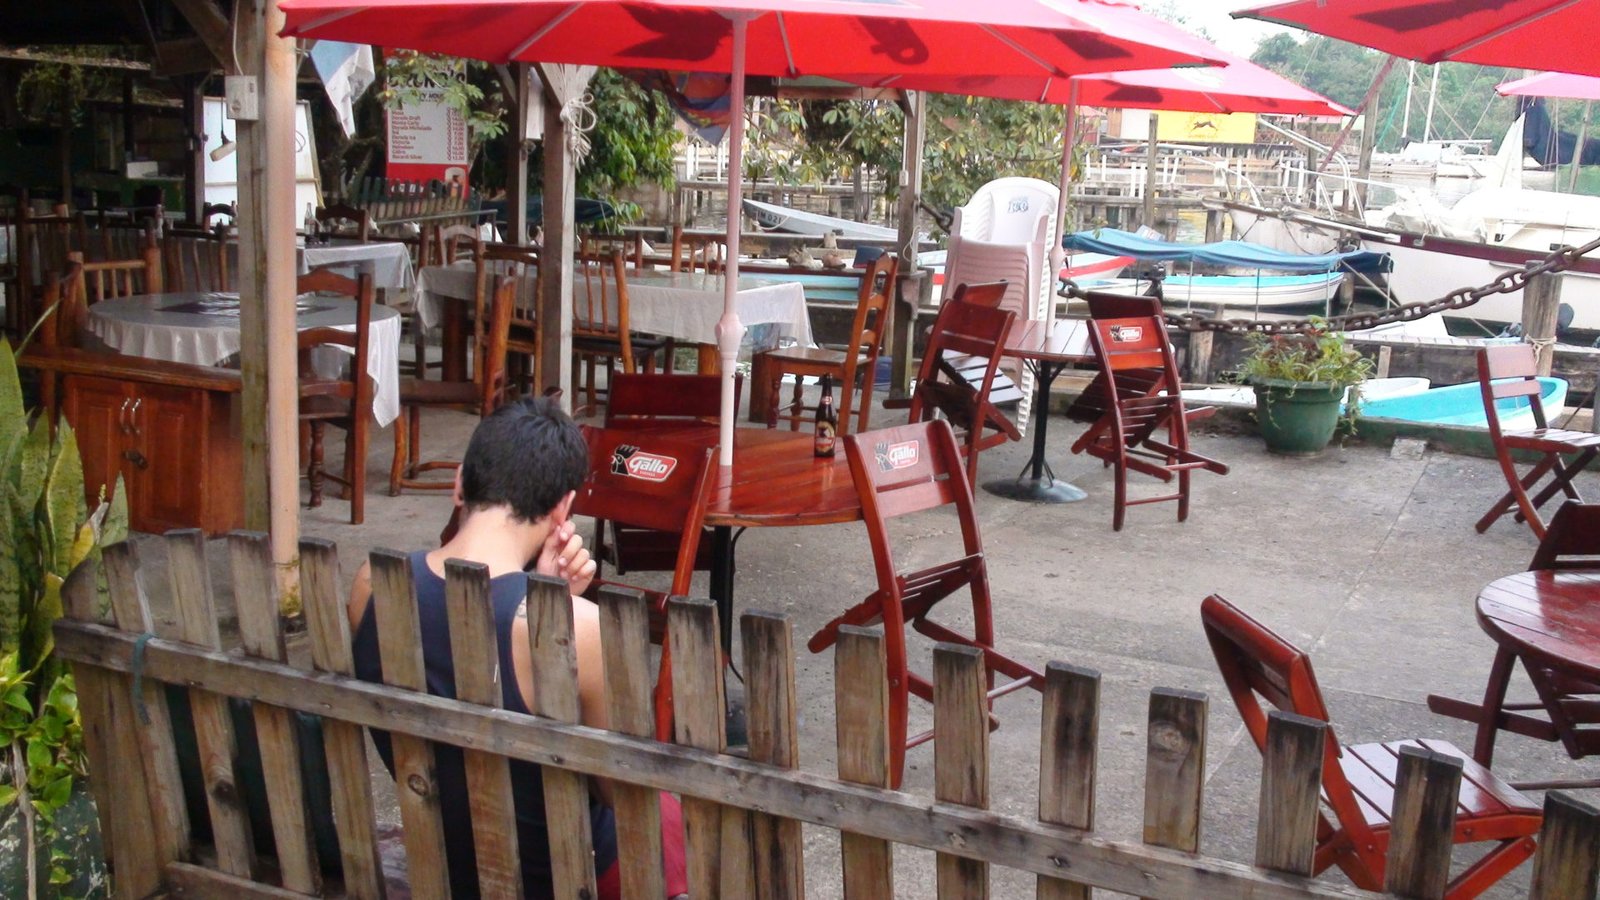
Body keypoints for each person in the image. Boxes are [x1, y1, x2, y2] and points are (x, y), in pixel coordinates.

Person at [346, 396, 686, 898]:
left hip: (449, 861)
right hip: (565, 877)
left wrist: (545, 592)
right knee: (670, 814)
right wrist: (559, 606)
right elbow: (620, 792)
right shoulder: (580, 628)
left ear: (459, 483)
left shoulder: (371, 584)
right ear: (563, 507)